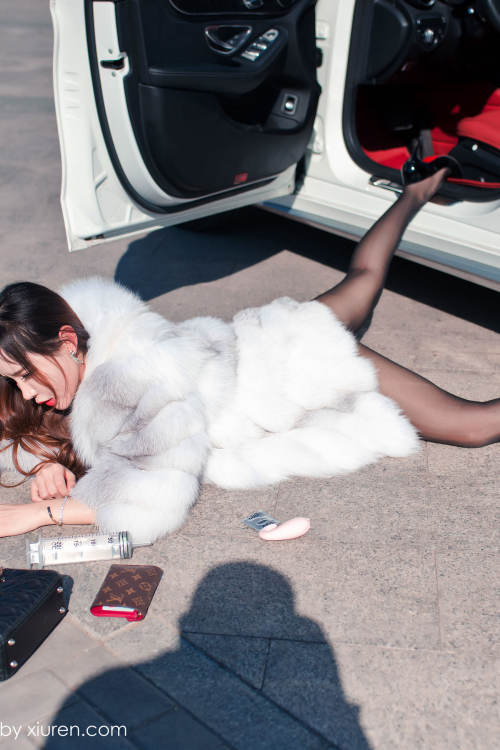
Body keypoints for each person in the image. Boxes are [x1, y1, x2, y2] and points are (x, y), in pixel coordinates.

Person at [0, 169, 498, 543]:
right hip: (261, 336)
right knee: (362, 281)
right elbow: (43, 437)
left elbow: (150, 499)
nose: (27, 391)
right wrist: (47, 463)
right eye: (15, 380)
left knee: (472, 426)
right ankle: (417, 188)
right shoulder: (81, 358)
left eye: (25, 374)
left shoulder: (135, 376)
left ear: (67, 341)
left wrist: (42, 514)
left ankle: (418, 189)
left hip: (301, 363)